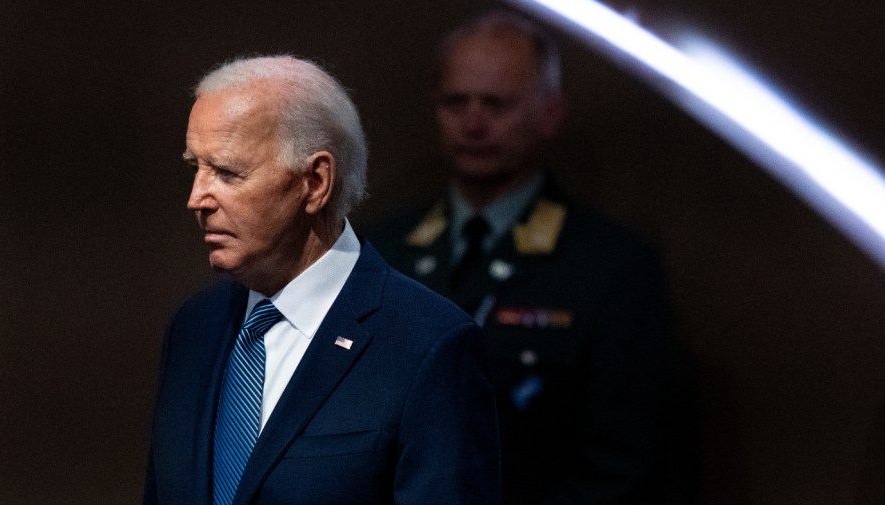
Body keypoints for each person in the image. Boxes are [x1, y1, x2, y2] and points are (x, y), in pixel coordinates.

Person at [143, 55, 501, 505]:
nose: (197, 198)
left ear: (315, 182)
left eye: (228, 173)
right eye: (196, 167)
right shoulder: (195, 326)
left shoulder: (428, 344)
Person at [366, 11, 691, 504]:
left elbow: (623, 467)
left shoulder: (611, 265)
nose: (474, 122)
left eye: (496, 104)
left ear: (549, 113)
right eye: (457, 102)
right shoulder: (381, 250)